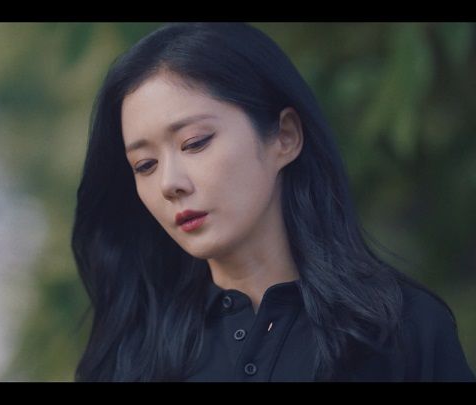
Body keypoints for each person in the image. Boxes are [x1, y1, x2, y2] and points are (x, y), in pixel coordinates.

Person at [70, 23, 475, 382]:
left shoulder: (400, 331)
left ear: (285, 136)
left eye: (194, 143)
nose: (168, 183)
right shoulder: (131, 359)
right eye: (145, 165)